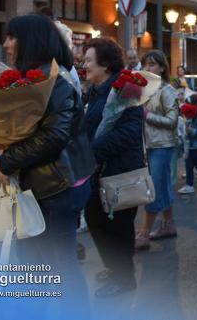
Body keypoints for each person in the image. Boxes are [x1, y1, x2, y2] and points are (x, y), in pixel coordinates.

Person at [0, 14, 96, 316]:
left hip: (57, 185)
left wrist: (8, 159)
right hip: (43, 183)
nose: (6, 44)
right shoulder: (37, 76)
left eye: (12, 37)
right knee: (35, 261)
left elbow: (55, 135)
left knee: (60, 264)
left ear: (32, 40)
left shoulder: (53, 78)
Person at [81, 37, 144, 297]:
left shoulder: (127, 87)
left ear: (105, 64)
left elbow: (130, 132)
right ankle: (114, 267)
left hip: (120, 170)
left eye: (88, 61)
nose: (84, 66)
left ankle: (124, 277)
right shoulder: (95, 91)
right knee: (95, 219)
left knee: (118, 225)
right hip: (96, 170)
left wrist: (90, 150)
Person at [135, 50, 179, 249]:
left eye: (152, 64)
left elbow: (172, 121)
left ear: (162, 67)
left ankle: (143, 232)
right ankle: (168, 224)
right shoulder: (143, 90)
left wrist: (146, 115)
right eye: (145, 64)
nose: (147, 68)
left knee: (152, 189)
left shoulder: (167, 90)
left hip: (163, 145)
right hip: (148, 146)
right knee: (162, 186)